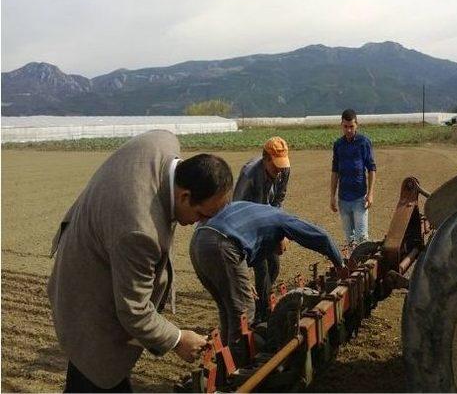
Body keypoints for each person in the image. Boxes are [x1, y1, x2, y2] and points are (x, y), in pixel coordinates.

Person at [47, 130, 233, 392]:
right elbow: (134, 311)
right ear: (184, 196)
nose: (199, 224)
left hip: (94, 246)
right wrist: (178, 339)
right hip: (85, 296)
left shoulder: (163, 142)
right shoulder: (140, 232)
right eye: (201, 215)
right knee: (96, 370)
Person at [189, 200, 347, 363]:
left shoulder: (259, 214)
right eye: (287, 244)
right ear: (285, 235)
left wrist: (241, 282)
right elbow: (321, 236)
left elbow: (233, 248)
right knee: (243, 311)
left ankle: (225, 361)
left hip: (199, 242)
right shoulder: (280, 218)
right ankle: (237, 365)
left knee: (227, 308)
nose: (283, 251)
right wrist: (340, 264)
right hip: (222, 244)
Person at [233, 136, 290, 322]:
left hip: (267, 220)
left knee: (274, 264)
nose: (279, 169)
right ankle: (263, 315)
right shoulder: (249, 175)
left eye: (282, 164)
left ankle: (260, 301)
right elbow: (237, 209)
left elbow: (278, 201)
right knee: (262, 267)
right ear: (265, 159)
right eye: (276, 165)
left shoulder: (284, 170)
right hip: (248, 224)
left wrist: (279, 233)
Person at [330, 109, 377, 250]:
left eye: (351, 126)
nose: (349, 130)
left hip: (359, 198)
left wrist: (370, 193)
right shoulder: (338, 145)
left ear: (357, 125)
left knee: (361, 238)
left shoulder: (364, 143)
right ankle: (353, 268)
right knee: (349, 239)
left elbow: (371, 168)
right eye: (345, 126)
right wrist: (332, 196)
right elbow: (335, 171)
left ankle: (364, 269)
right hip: (343, 199)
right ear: (341, 125)